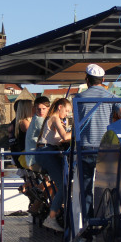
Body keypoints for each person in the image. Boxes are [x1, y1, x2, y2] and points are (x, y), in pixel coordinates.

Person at [75, 64, 121, 216]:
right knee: (109, 185)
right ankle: (109, 216)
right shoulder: (112, 97)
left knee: (86, 187)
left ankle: (89, 222)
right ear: (103, 79)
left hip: (85, 147)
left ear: (87, 79)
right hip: (105, 148)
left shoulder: (79, 98)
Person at [36, 98, 72, 232]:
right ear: (60, 107)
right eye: (67, 110)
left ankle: (57, 211)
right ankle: (51, 218)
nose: (67, 114)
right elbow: (64, 136)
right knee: (64, 185)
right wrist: (79, 131)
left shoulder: (53, 119)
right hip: (47, 153)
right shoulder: (55, 118)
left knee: (65, 183)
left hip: (46, 152)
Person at [24, 96, 50, 171]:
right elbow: (51, 134)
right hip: (34, 160)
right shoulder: (38, 120)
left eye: (43, 109)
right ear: (35, 109)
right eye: (38, 109)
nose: (41, 111)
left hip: (30, 158)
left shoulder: (36, 118)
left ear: (48, 108)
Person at [8, 99, 33, 168]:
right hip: (25, 156)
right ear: (27, 109)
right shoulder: (24, 123)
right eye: (32, 107)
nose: (34, 109)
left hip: (18, 155)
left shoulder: (15, 123)